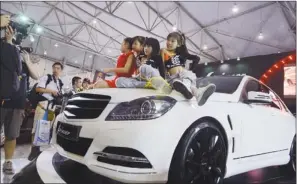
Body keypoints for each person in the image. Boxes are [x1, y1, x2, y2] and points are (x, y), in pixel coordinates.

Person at [1, 25, 39, 174]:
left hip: (17, 102)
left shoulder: (22, 59)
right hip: (2, 97)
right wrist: (8, 42)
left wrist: (27, 60)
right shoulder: (4, 51)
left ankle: (8, 161)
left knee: (12, 134)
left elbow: (36, 76)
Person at [161, 32, 216, 106]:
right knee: (186, 81)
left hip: (183, 76)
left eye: (172, 41)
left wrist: (191, 70)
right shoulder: (163, 51)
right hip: (172, 78)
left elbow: (196, 58)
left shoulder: (182, 54)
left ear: (178, 44)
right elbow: (161, 64)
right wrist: (163, 77)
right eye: (168, 40)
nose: (169, 42)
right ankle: (196, 92)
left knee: (189, 77)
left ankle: (196, 93)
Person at [28, 62, 64, 161]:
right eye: (54, 68)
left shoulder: (59, 82)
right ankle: (33, 151)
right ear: (52, 69)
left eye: (58, 68)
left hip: (51, 109)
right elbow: (38, 88)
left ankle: (38, 149)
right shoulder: (46, 78)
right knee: (36, 128)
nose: (56, 70)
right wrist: (51, 91)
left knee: (45, 130)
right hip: (42, 106)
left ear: (61, 70)